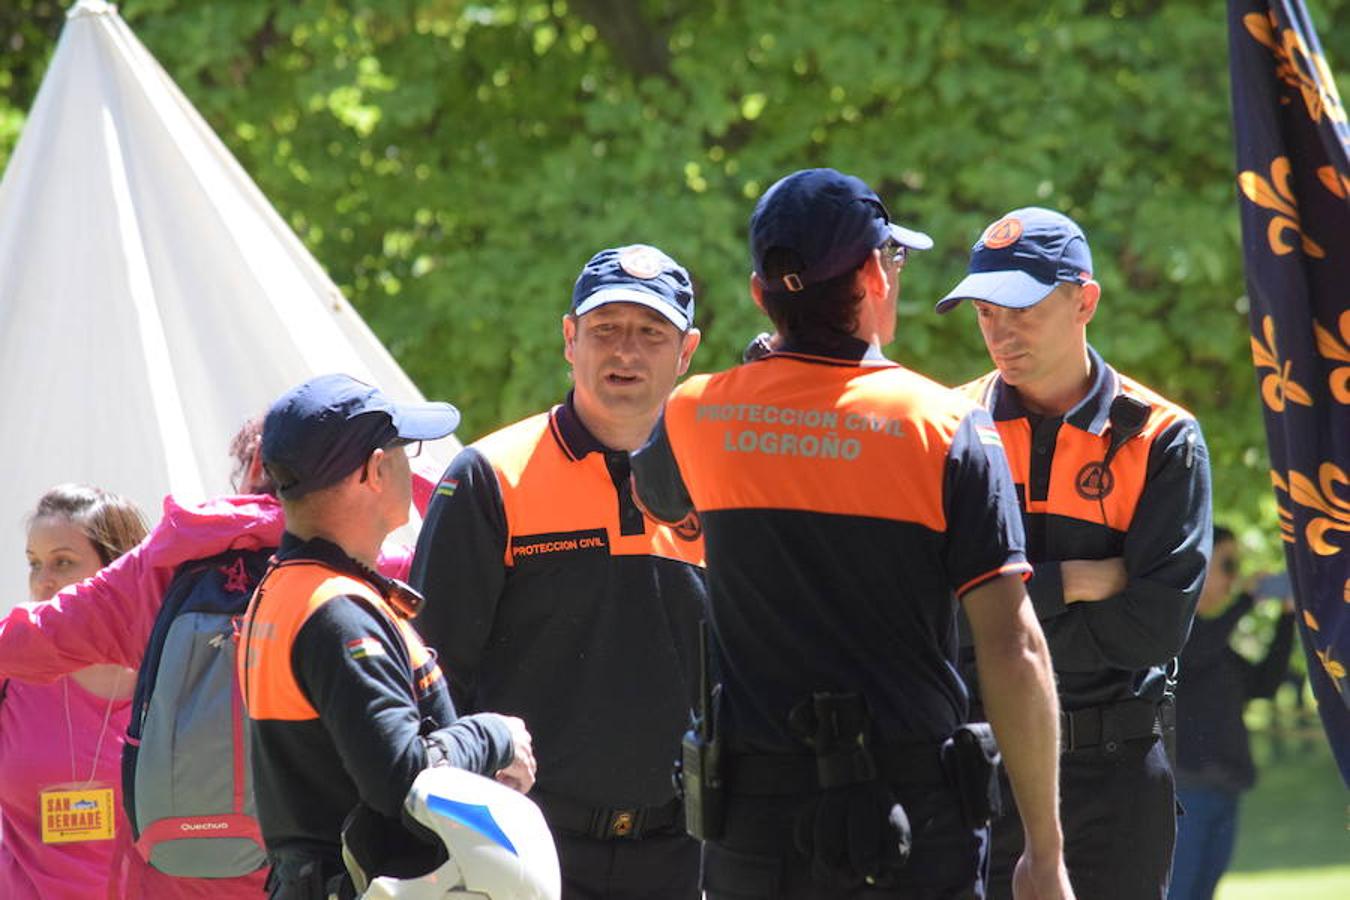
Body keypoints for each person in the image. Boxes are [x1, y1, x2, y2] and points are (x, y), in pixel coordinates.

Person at [631, 168, 1073, 900]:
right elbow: (1013, 645)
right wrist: (1046, 855)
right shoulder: (946, 426)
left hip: (756, 833)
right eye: (894, 260)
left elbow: (657, 497)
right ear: (873, 274)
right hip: (913, 825)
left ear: (759, 294)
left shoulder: (693, 412)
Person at [0, 414, 427, 898]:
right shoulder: (374, 573)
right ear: (366, 476)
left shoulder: (165, 565)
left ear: (249, 475)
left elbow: (32, 637)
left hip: (170, 876)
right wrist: (419, 483)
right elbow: (460, 554)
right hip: (308, 874)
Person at [412, 245, 707, 900]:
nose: (625, 351)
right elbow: (434, 675)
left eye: (649, 333)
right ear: (570, 338)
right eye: (605, 329)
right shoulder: (490, 476)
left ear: (685, 352)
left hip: (688, 852)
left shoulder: (724, 484)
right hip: (521, 846)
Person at [935, 206, 1213, 899]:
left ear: (1084, 300)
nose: (1000, 331)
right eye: (985, 312)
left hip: (1116, 780)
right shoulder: (944, 427)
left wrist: (997, 619)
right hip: (975, 774)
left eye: (1020, 308)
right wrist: (1074, 582)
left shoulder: (1163, 439)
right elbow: (928, 621)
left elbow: (1150, 631)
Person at [238, 373, 536, 900]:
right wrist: (496, 736)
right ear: (376, 468)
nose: (412, 463)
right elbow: (400, 776)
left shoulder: (286, 587)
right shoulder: (336, 613)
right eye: (405, 448)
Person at [0, 485, 147, 899]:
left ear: (116, 571)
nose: (42, 582)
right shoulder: (10, 666)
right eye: (34, 564)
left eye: (62, 563)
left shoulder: (173, 674)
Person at [1168, 526, 1295, 900]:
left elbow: (1265, 684)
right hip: (1186, 793)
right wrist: (1248, 600)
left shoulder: (1216, 644)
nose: (1235, 576)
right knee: (1179, 891)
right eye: (1228, 564)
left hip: (1225, 788)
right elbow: (1197, 651)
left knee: (1203, 891)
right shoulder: (1175, 633)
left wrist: (1286, 619)